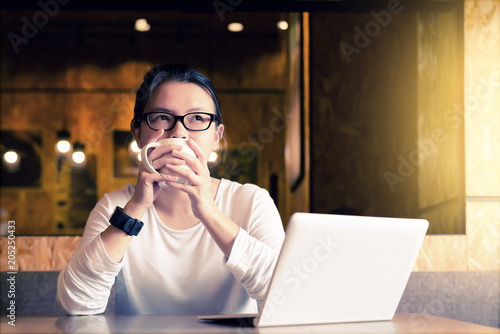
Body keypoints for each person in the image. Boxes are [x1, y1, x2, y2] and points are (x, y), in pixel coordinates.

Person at [57, 64, 285, 315]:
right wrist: (136, 208)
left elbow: (284, 293)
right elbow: (77, 305)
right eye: (162, 117)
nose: (180, 133)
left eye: (197, 118)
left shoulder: (252, 202)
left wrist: (209, 211)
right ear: (138, 133)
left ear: (216, 136)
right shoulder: (115, 207)